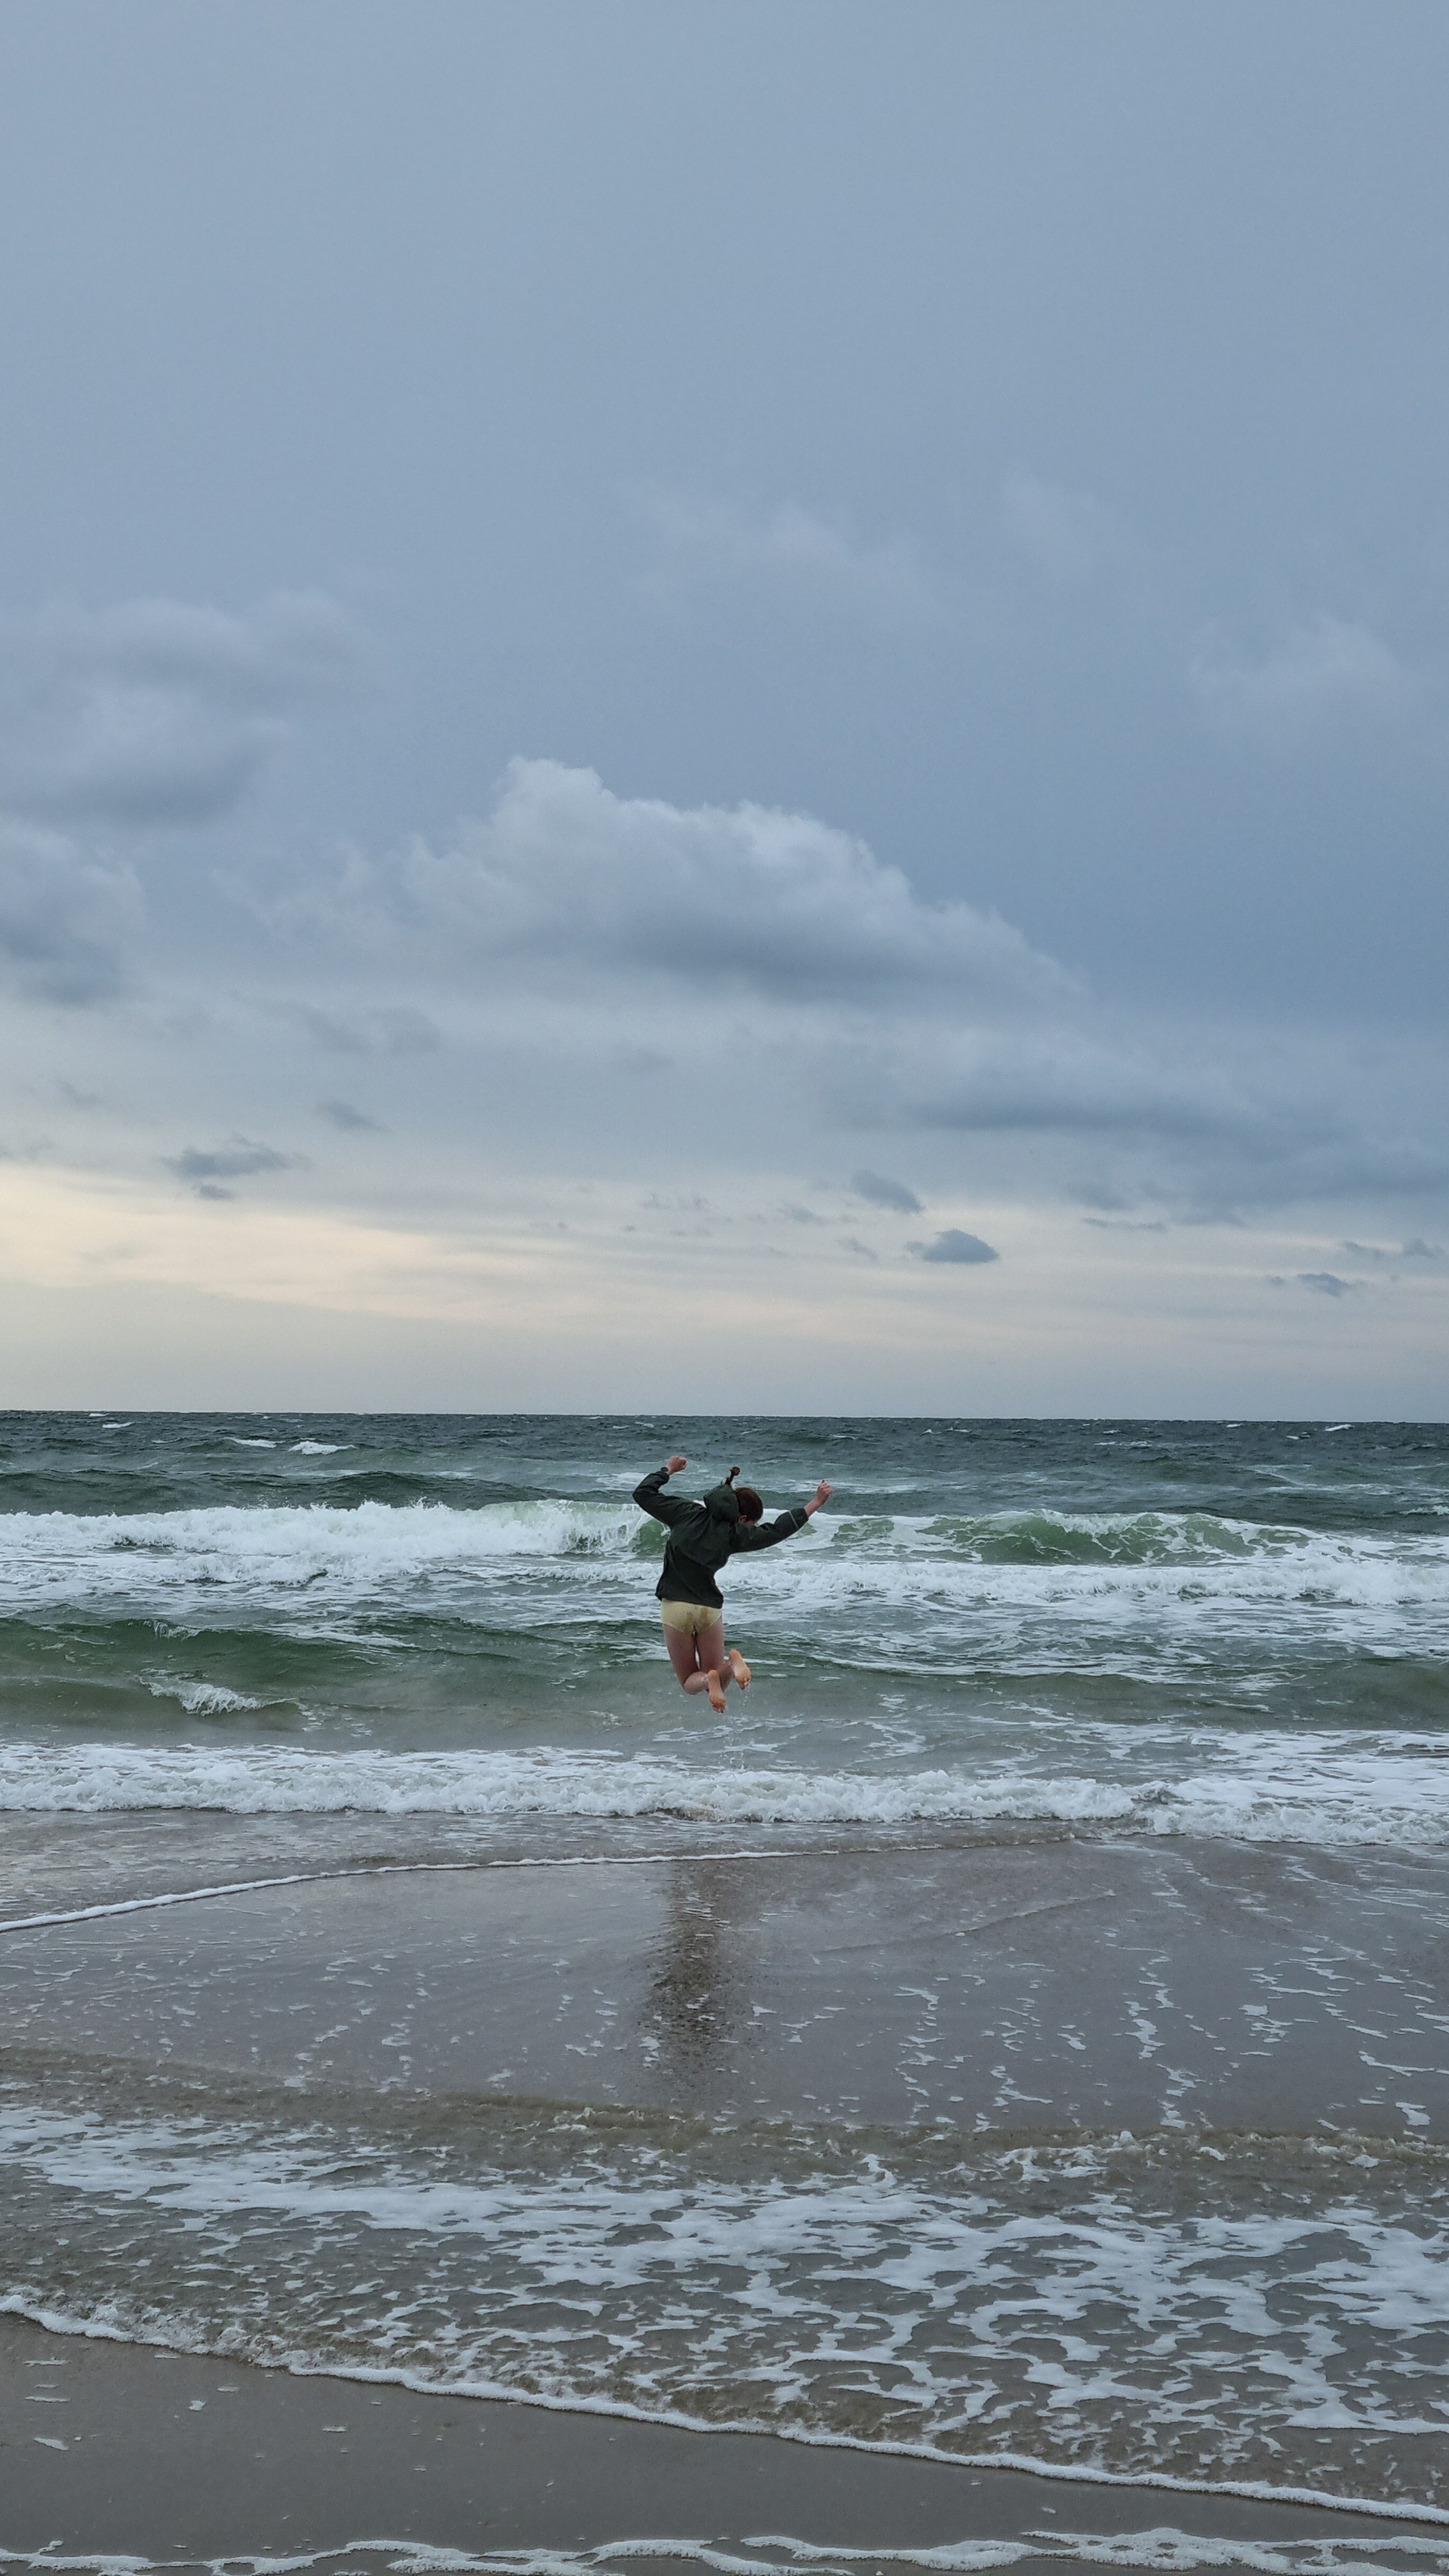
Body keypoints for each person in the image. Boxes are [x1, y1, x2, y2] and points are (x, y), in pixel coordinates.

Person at [633, 1454, 832, 1713]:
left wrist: (668, 1470)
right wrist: (816, 1502)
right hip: (709, 1610)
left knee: (689, 1681)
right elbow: (777, 1531)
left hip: (676, 1607)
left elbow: (643, 1494)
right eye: (751, 1524)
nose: (750, 1528)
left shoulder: (685, 1512)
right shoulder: (735, 1535)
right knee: (719, 1676)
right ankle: (732, 1663)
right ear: (741, 1519)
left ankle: (708, 1680)